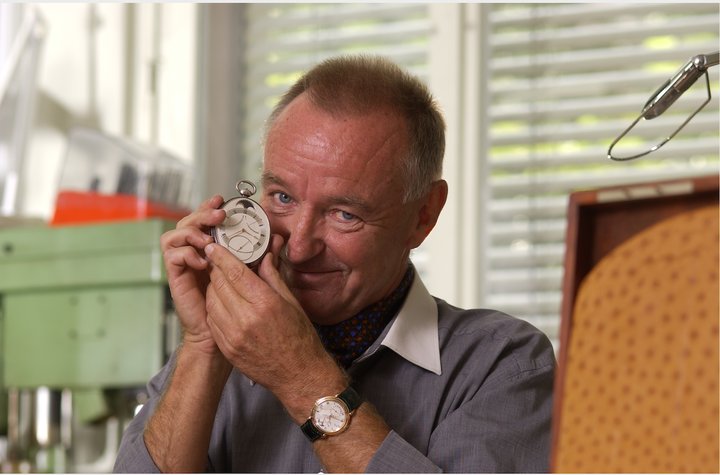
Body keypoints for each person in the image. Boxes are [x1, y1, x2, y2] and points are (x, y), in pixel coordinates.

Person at [113, 54, 556, 473]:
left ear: (423, 215)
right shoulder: (223, 344)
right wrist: (204, 345)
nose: (299, 247)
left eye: (345, 214)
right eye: (282, 197)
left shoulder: (502, 364)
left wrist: (300, 376)